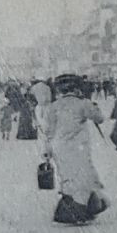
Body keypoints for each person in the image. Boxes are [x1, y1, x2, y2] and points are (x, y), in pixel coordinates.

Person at [45, 75, 109, 225]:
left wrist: (47, 150)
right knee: (83, 179)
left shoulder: (54, 106)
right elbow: (99, 118)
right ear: (76, 88)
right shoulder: (83, 104)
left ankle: (78, 208)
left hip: (59, 148)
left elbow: (49, 131)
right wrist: (93, 104)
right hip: (78, 148)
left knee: (68, 178)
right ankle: (80, 211)